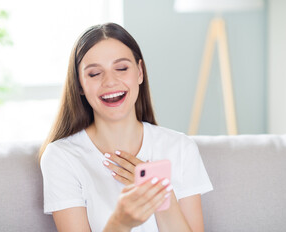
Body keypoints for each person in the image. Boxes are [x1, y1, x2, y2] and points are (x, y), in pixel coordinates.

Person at [39, 23, 213, 232]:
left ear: (140, 72)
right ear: (79, 85)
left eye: (121, 68)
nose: (110, 81)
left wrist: (162, 199)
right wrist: (120, 222)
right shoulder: (62, 157)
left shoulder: (181, 148)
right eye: (94, 74)